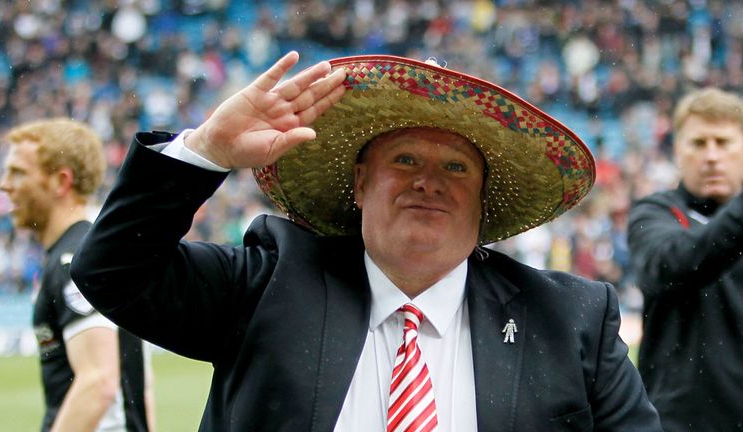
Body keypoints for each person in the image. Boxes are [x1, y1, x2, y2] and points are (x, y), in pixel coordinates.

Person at [70, 51, 661, 431]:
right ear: (359, 184)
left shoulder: (571, 319)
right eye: (404, 159)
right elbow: (113, 273)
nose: (428, 181)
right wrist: (204, 152)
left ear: (484, 204)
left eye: (457, 168)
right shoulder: (269, 281)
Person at [0, 118, 156, 432]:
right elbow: (142, 384)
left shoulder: (75, 263)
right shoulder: (91, 254)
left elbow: (98, 382)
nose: (4, 185)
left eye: (17, 172)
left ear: (61, 182)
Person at [628, 87, 743, 431]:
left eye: (723, 143)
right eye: (698, 143)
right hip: (679, 422)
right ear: (678, 151)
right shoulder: (654, 213)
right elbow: (671, 265)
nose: (711, 156)